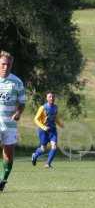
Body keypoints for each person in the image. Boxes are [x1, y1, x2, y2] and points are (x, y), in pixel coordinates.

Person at [0, 51, 25, 191]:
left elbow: (22, 103)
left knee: (8, 154)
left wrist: (18, 113)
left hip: (10, 124)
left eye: (8, 65)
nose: (5, 67)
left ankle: (4, 180)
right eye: (3, 64)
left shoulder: (17, 82)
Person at [31, 92, 64, 168]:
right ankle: (35, 155)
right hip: (43, 131)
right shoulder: (42, 108)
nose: (51, 98)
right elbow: (36, 119)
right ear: (47, 98)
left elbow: (55, 118)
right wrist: (43, 127)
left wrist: (61, 125)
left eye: (53, 97)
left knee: (54, 146)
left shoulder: (55, 107)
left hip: (52, 130)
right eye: (50, 97)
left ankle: (47, 164)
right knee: (43, 149)